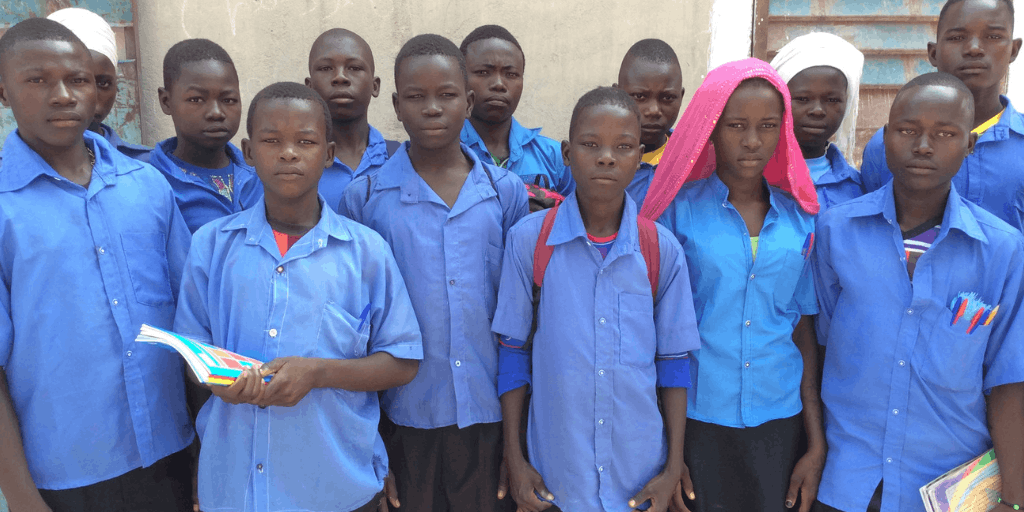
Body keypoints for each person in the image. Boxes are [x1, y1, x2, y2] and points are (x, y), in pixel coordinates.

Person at [173, 81, 422, 512]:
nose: (289, 153)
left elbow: (402, 361)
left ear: (327, 155)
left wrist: (318, 373)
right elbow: (191, 351)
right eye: (272, 141)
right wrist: (219, 382)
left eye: (305, 142)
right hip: (235, 488)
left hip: (337, 487)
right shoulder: (212, 247)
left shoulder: (366, 252)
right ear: (249, 153)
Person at [0, 18, 193, 512]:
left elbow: (193, 325)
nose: (62, 95)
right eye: (37, 79)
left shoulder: (146, 187)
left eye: (78, 79)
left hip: (171, 451)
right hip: (66, 474)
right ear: (4, 91)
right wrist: (21, 498)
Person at [813, 72, 1024, 512]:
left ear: (969, 145)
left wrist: (1015, 496)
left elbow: (1008, 382)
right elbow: (821, 345)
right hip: (846, 482)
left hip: (949, 489)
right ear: (885, 137)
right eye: (908, 130)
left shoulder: (1002, 251)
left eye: (945, 134)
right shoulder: (837, 232)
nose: (924, 146)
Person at [339, 33, 528, 512]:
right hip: (404, 418)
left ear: (467, 101)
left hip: (489, 413)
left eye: (446, 95)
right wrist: (370, 444)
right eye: (416, 97)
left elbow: (518, 321)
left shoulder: (505, 193)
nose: (431, 108)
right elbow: (356, 328)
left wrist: (517, 442)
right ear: (397, 105)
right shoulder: (364, 199)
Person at [493, 86, 700, 512]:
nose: (606, 157)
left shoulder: (660, 250)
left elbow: (675, 364)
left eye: (623, 147)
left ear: (639, 155)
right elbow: (512, 353)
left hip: (638, 478)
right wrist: (514, 459)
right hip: (558, 475)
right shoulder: (530, 242)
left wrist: (673, 466)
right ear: (567, 153)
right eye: (591, 145)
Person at [640, 58, 824, 512]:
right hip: (695, 419)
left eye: (767, 125)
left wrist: (815, 442)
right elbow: (650, 333)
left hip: (780, 419)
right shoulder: (675, 213)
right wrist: (668, 449)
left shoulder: (801, 219)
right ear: (709, 129)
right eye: (735, 125)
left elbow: (801, 331)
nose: (751, 141)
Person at [860, 0, 1023, 230]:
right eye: (957, 37)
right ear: (933, 53)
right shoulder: (885, 147)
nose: (974, 48)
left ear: (1013, 50)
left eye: (993, 37)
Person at [143, 38, 262, 233]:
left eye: (228, 99)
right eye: (196, 99)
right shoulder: (150, 183)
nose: (216, 112)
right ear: (166, 101)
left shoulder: (259, 175)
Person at [459, 25, 573, 210]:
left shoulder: (555, 157)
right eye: (483, 72)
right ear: (460, 78)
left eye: (511, 74)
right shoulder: (444, 152)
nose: (498, 84)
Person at [771, 32, 866, 210]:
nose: (817, 111)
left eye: (832, 100)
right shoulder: (755, 181)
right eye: (802, 99)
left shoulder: (859, 189)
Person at [305, 28, 397, 211]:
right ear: (309, 87)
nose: (340, 77)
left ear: (375, 86)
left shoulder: (400, 159)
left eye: (354, 68)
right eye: (326, 68)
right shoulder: (296, 165)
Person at [47, 7, 150, 158]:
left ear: (117, 87)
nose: (90, 95)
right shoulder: (7, 175)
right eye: (76, 81)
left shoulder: (148, 169)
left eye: (103, 83)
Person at [613, 38, 684, 208]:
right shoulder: (595, 161)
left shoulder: (693, 163)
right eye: (639, 96)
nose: (653, 110)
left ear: (681, 97)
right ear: (617, 94)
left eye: (667, 98)